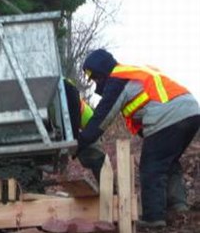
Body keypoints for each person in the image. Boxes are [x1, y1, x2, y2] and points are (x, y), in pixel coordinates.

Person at [78, 49, 200, 228]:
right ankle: (178, 206)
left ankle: (153, 218)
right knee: (168, 160)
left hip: (169, 116)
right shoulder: (131, 73)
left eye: (95, 78)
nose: (96, 83)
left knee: (152, 166)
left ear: (101, 72)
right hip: (191, 112)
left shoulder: (117, 79)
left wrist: (81, 142)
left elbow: (102, 118)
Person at [63, 78, 106, 182]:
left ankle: (109, 189)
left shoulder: (65, 85)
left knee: (93, 156)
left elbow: (74, 111)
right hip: (67, 124)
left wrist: (75, 139)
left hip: (87, 123)